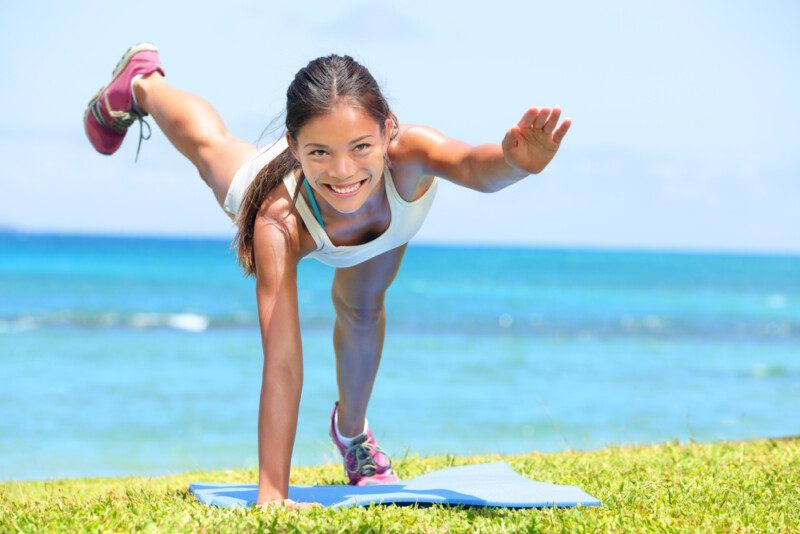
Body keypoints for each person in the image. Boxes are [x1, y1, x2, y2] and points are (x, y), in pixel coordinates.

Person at [84, 43, 572, 510]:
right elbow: (282, 359)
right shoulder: (275, 216)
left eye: (361, 146)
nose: (343, 172)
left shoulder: (410, 155)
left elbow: (472, 166)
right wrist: (273, 492)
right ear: (293, 146)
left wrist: (514, 164)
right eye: (319, 152)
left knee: (363, 307)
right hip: (291, 203)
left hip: (385, 226)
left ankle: (352, 434)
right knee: (209, 145)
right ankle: (144, 83)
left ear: (388, 132)